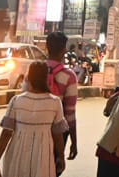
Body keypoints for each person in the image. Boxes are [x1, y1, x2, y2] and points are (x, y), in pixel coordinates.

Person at [0, 60, 68, 177]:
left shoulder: (16, 101)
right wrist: (61, 157)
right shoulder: (55, 102)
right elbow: (58, 135)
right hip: (43, 156)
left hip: (17, 155)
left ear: (28, 78)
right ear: (46, 78)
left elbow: (6, 133)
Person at [43, 31, 80, 163]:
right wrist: (74, 141)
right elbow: (70, 112)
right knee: (54, 167)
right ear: (64, 49)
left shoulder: (34, 69)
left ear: (46, 47)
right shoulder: (69, 75)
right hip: (58, 131)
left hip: (35, 126)